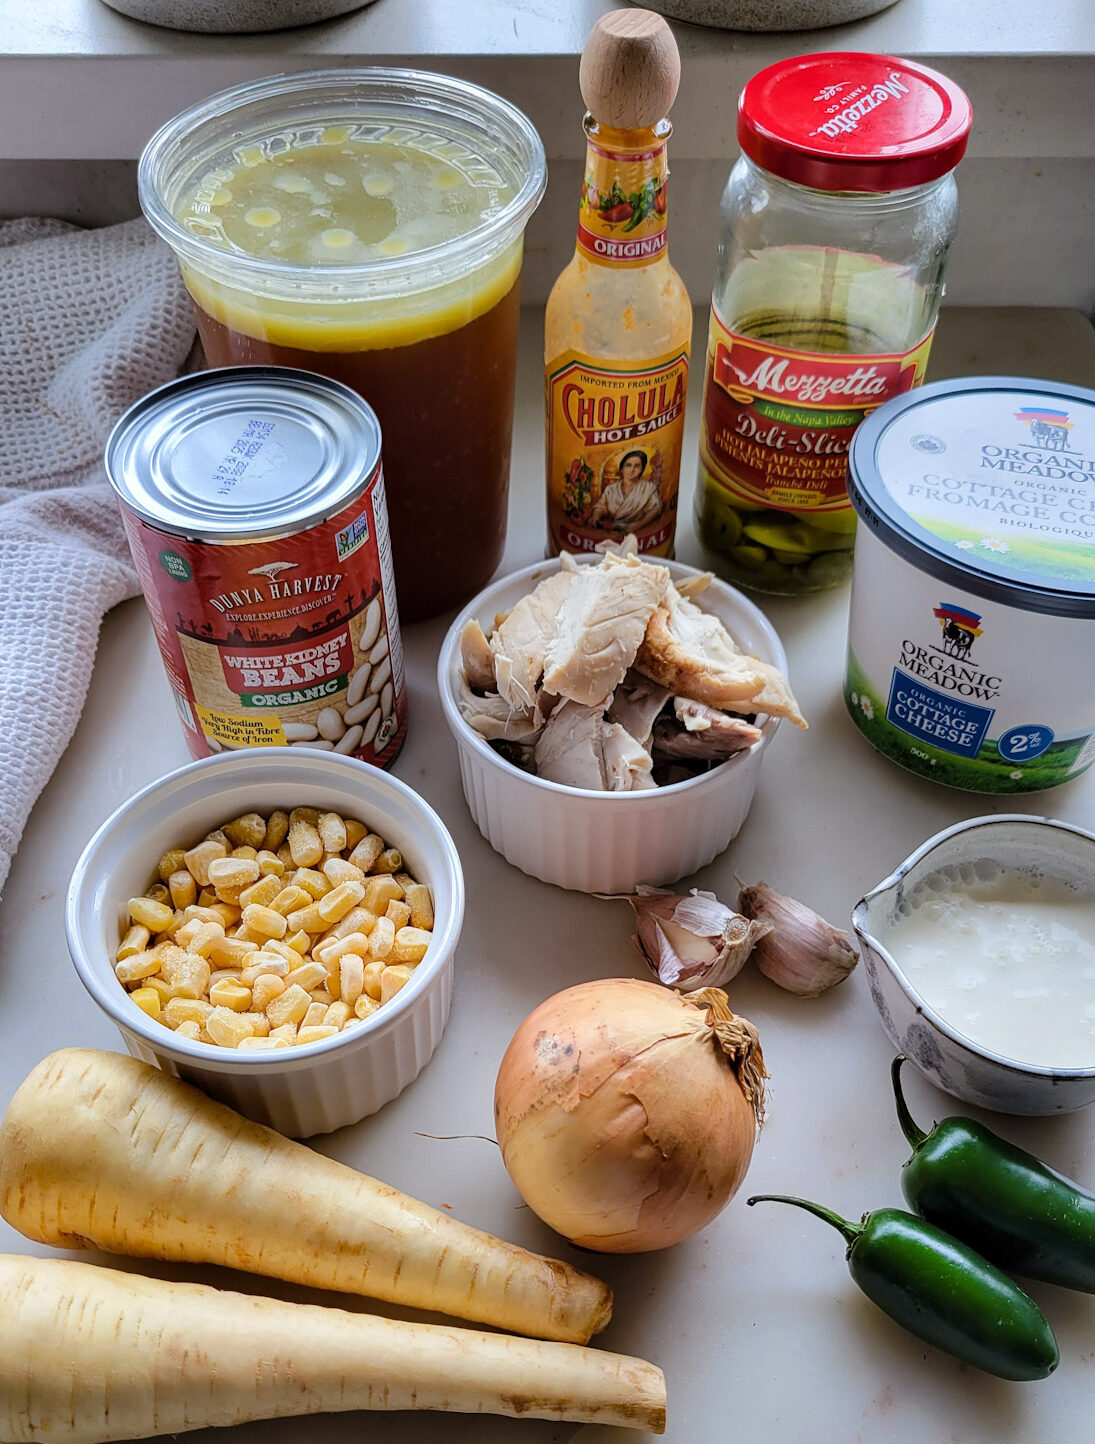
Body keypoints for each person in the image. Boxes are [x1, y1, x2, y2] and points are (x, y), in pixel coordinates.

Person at [589, 450, 662, 531]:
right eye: (628, 465)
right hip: (612, 531)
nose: (632, 470)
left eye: (637, 466)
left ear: (641, 469)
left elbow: (655, 510)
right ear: (622, 468)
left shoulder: (648, 488)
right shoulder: (611, 489)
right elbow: (601, 506)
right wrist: (596, 516)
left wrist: (635, 526)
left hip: (637, 532)